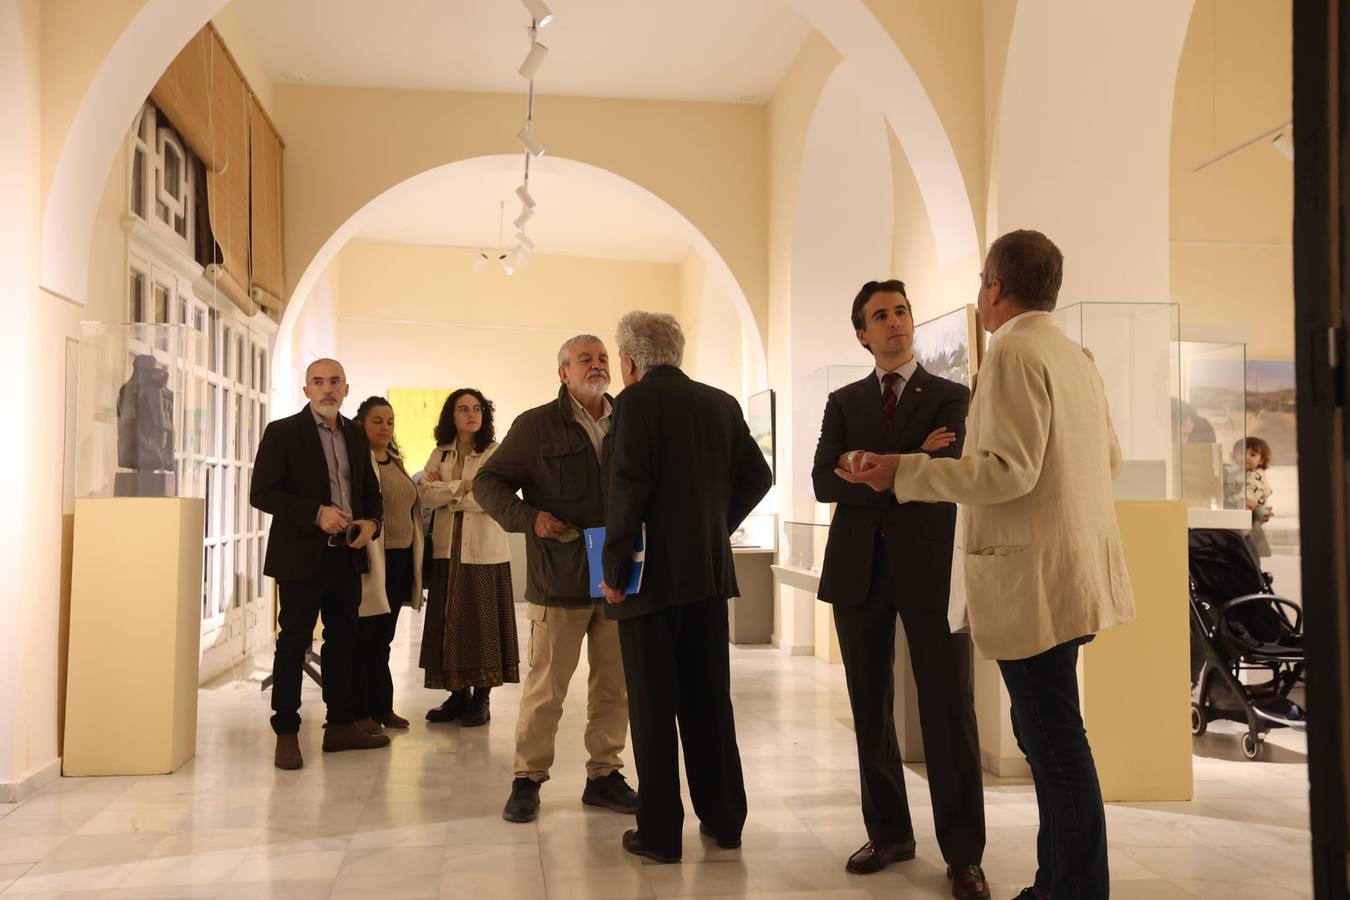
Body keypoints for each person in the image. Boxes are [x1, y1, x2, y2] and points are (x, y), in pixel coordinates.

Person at [837, 230, 1135, 900]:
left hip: (1032, 580)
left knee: (1054, 748)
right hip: (1074, 571)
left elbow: (1008, 471)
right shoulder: (1073, 353)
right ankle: (1054, 879)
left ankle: (1074, 888)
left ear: (995, 288)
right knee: (1055, 739)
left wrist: (902, 472)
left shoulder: (1012, 355)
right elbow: (1106, 459)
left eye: (980, 283)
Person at [811, 280, 987, 897]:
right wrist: (911, 457)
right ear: (862, 333)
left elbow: (953, 467)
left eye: (901, 312)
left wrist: (868, 464)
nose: (894, 322)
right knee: (870, 709)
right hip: (858, 572)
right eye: (880, 316)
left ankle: (964, 853)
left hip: (931, 571)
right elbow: (821, 479)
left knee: (948, 709)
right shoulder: (843, 399)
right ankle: (889, 832)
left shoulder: (951, 396)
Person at [600, 311, 773, 864]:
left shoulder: (633, 405)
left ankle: (659, 834)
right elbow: (759, 476)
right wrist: (713, 527)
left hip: (649, 580)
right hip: (707, 576)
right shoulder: (720, 403)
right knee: (708, 703)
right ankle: (725, 821)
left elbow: (628, 486)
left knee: (652, 708)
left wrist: (613, 569)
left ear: (629, 362)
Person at [475, 335, 639, 823]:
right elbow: (488, 482)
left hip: (619, 578)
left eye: (603, 357)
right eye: (584, 359)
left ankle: (604, 775)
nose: (597, 365)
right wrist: (531, 518)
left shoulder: (630, 421)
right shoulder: (535, 426)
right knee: (547, 688)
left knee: (615, 686)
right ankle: (527, 779)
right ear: (562, 373)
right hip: (559, 577)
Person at [250, 358, 389, 770]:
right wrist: (316, 513)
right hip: (300, 557)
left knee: (344, 640)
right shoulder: (283, 433)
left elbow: (370, 492)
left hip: (346, 555)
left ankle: (341, 724)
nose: (327, 389)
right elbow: (263, 493)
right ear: (305, 389)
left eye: (334, 382)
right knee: (293, 644)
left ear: (346, 388)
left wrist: (371, 523)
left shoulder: (356, 435)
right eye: (318, 382)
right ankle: (287, 731)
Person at [418, 389, 519, 727]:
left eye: (476, 408)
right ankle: (457, 694)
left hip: (484, 553)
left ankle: (482, 697)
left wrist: (448, 491)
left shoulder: (495, 453)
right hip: (448, 551)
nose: (471, 414)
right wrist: (464, 486)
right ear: (452, 416)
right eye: (463, 409)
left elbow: (491, 498)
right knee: (450, 623)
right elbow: (426, 497)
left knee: (481, 624)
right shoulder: (440, 453)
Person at [351, 396, 425, 733]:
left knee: (383, 638)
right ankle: (362, 709)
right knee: (365, 638)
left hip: (401, 558)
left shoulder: (394, 461)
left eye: (390, 421)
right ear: (362, 424)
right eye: (377, 420)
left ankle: (381, 706)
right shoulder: (358, 461)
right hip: (372, 560)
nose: (385, 427)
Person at [1236, 436, 1275, 557]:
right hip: (1245, 515)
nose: (1246, 457)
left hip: (1252, 512)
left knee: (1254, 539)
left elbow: (1254, 493)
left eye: (1252, 455)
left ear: (1261, 460)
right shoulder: (1238, 474)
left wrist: (1241, 500)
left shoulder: (1256, 476)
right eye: (1242, 453)